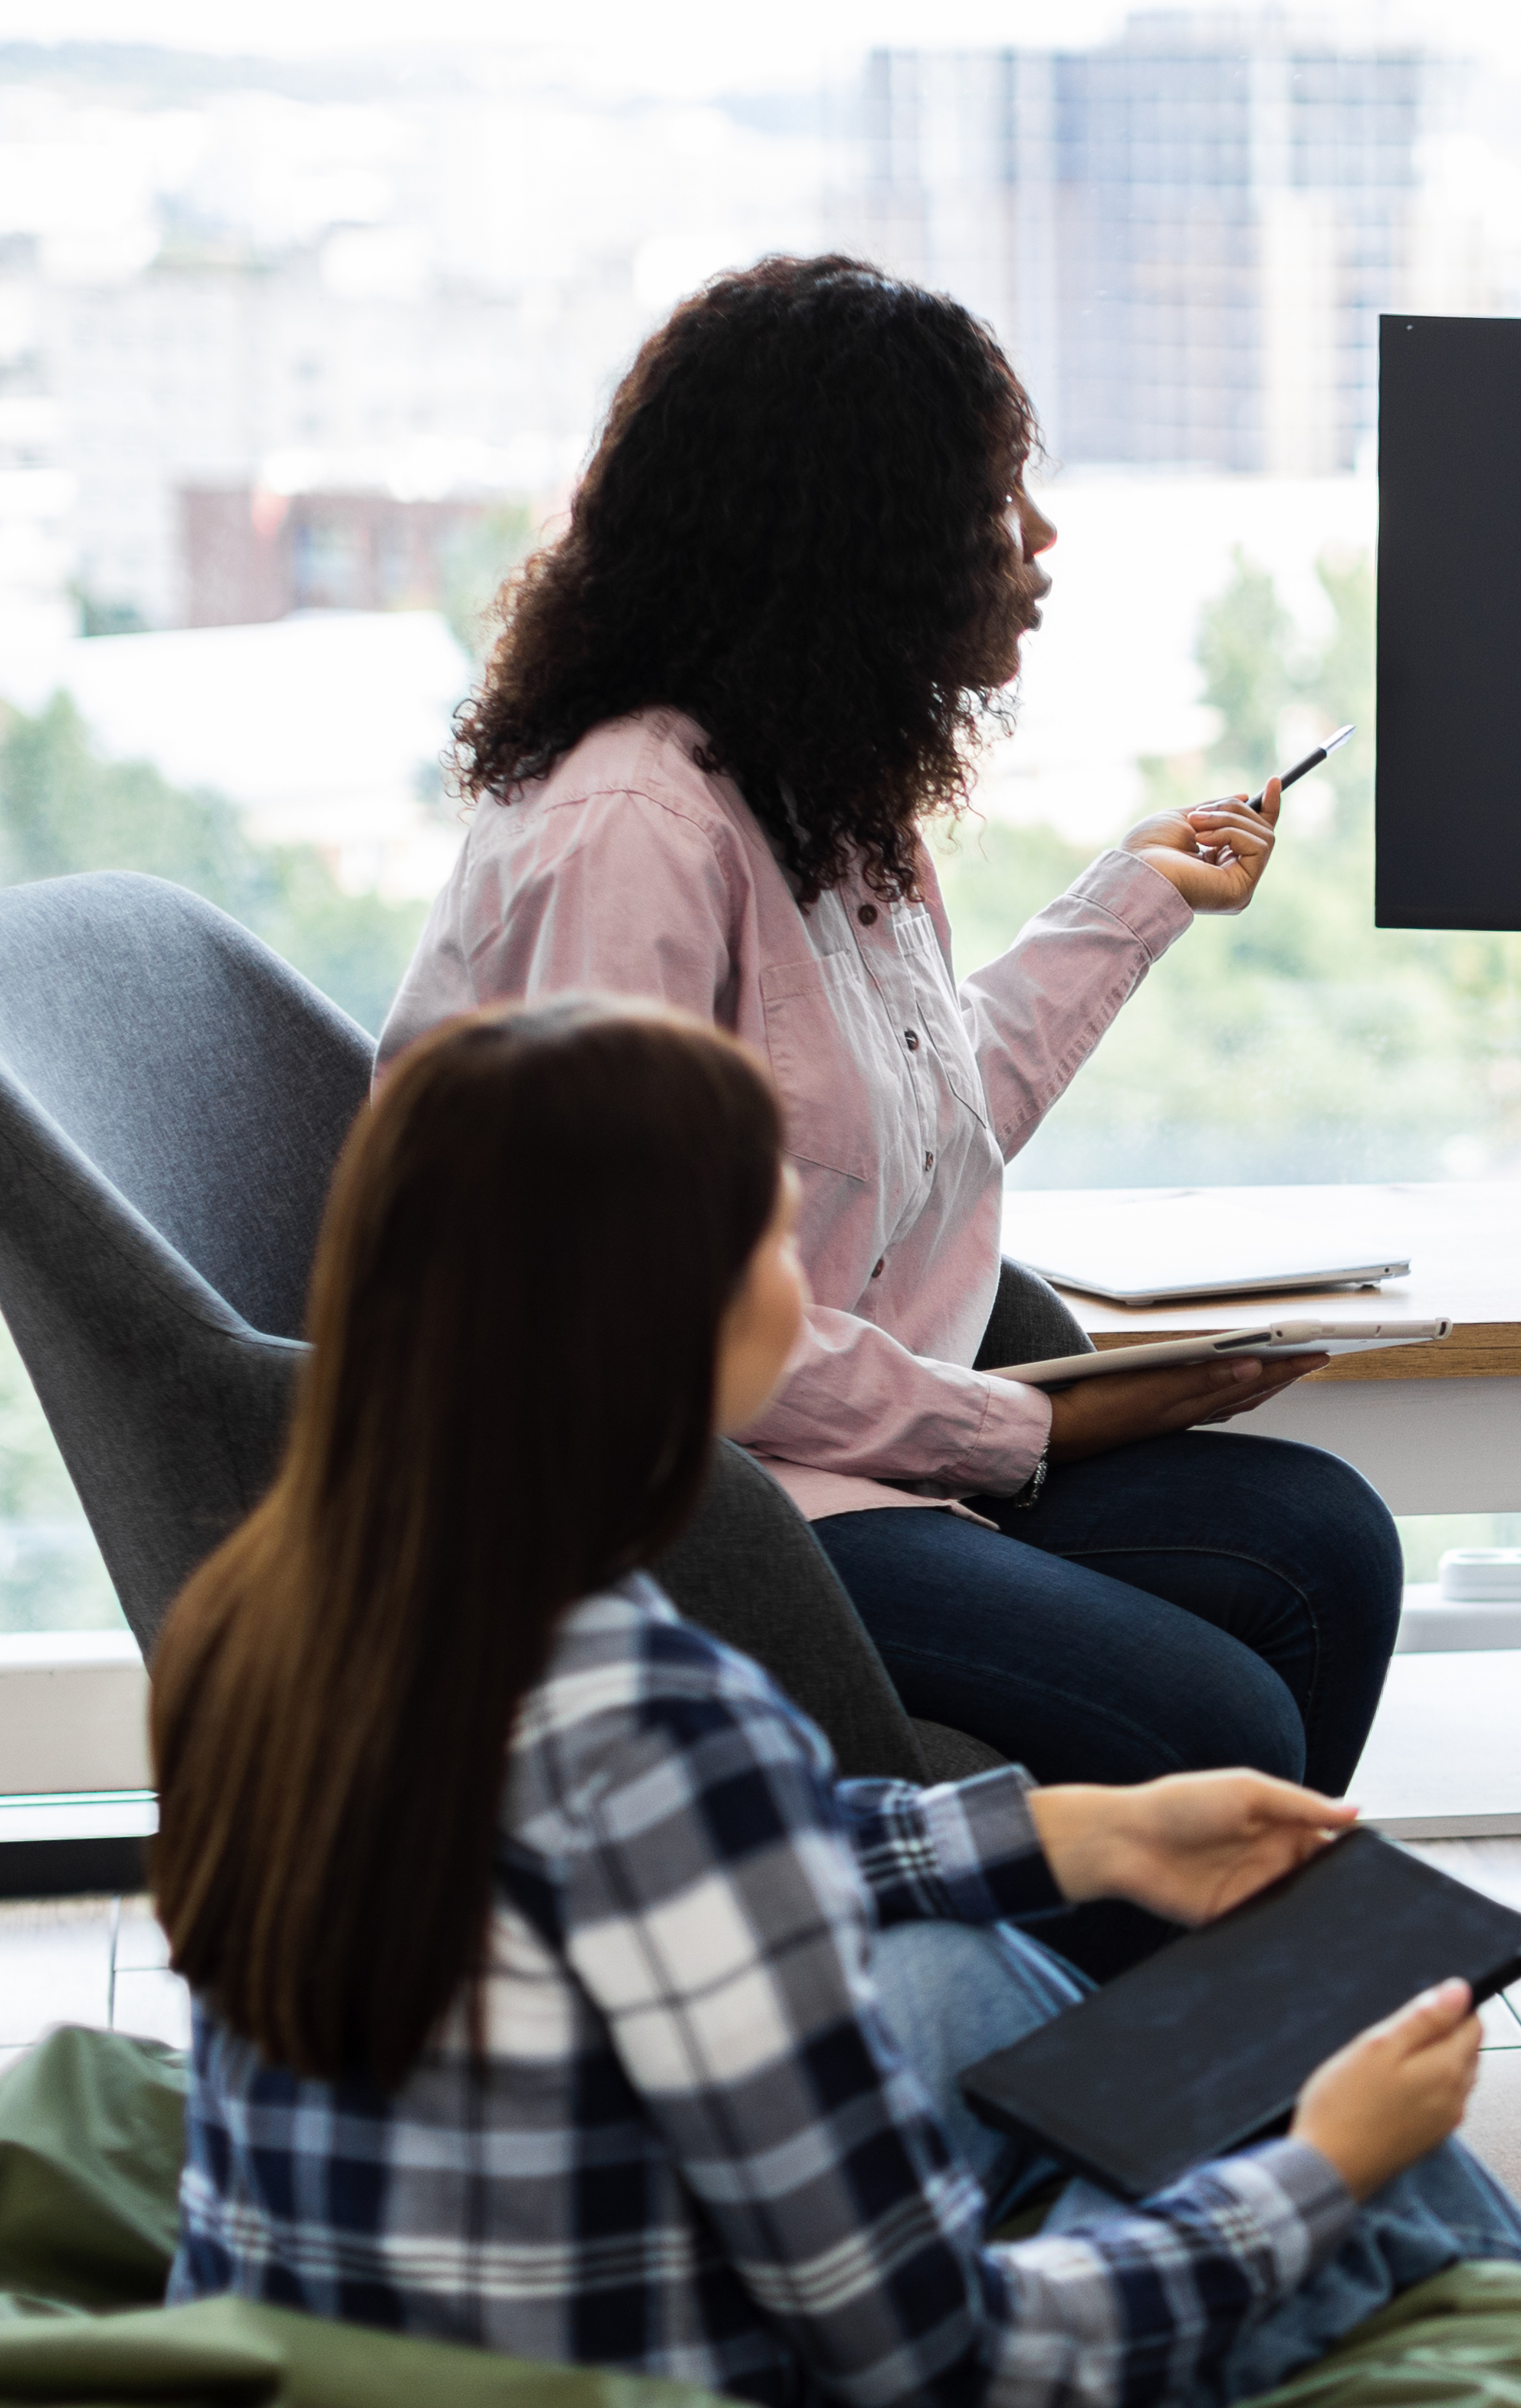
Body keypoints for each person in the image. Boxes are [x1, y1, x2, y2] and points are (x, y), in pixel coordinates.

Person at [150, 997, 1521, 2408]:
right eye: (775, 1245)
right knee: (1315, 2164)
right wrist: (1326, 2166)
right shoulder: (654, 1715)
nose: (807, 1295)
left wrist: (1081, 1831)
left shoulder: (280, 1613)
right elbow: (955, 2373)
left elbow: (659, 1860)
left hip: (358, 2396)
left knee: (957, 1959)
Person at [391, 253, 1401, 1815]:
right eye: (1006, 496)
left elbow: (913, 1125)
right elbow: (640, 1336)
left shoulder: (815, 798)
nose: (1045, 543)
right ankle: (1073, 2043)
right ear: (862, 538)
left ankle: (1155, 2041)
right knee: (1214, 1715)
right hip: (678, 1513)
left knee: (1322, 1547)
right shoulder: (631, 841)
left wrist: (1134, 899)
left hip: (844, 1470)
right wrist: (1021, 1425)